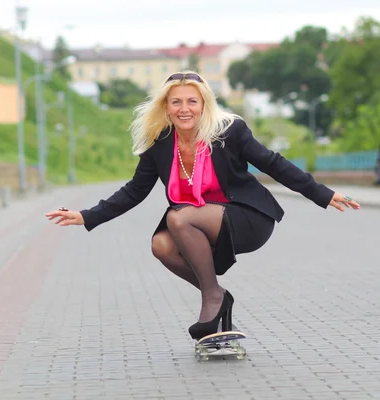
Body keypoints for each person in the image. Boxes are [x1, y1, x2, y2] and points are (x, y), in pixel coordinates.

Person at [45, 71, 360, 341]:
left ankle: (211, 297)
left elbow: (272, 163)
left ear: (204, 104)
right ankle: (218, 296)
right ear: (166, 108)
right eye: (176, 102)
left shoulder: (228, 132)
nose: (185, 109)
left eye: (192, 101)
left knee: (178, 218)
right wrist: (87, 215)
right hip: (199, 225)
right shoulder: (160, 144)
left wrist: (322, 193)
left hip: (246, 218)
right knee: (161, 244)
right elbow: (134, 191)